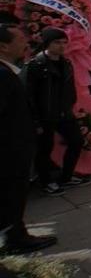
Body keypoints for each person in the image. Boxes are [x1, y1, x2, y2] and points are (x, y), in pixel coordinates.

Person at [0, 23, 57, 254]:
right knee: (10, 193)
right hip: (9, 151)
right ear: (3, 46)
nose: (26, 42)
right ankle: (13, 238)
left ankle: (14, 234)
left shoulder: (9, 71)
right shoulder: (2, 75)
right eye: (20, 39)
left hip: (15, 147)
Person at [21, 27, 91, 196]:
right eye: (57, 42)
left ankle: (66, 176)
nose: (62, 46)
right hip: (44, 116)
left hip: (64, 113)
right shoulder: (35, 65)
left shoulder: (66, 63)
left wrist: (70, 104)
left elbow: (70, 88)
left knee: (76, 141)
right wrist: (36, 121)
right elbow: (28, 97)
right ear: (47, 43)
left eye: (64, 42)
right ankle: (46, 182)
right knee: (44, 149)